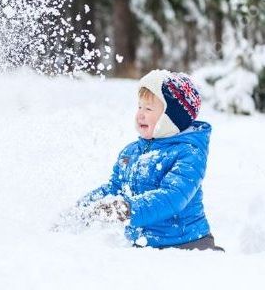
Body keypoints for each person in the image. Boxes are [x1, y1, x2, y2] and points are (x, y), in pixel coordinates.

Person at [76, 69, 223, 251]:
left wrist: (127, 209)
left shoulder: (188, 153)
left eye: (149, 109)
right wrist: (82, 210)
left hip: (187, 246)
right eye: (139, 107)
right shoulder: (131, 153)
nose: (140, 114)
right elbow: (114, 188)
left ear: (171, 117)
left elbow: (173, 196)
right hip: (146, 248)